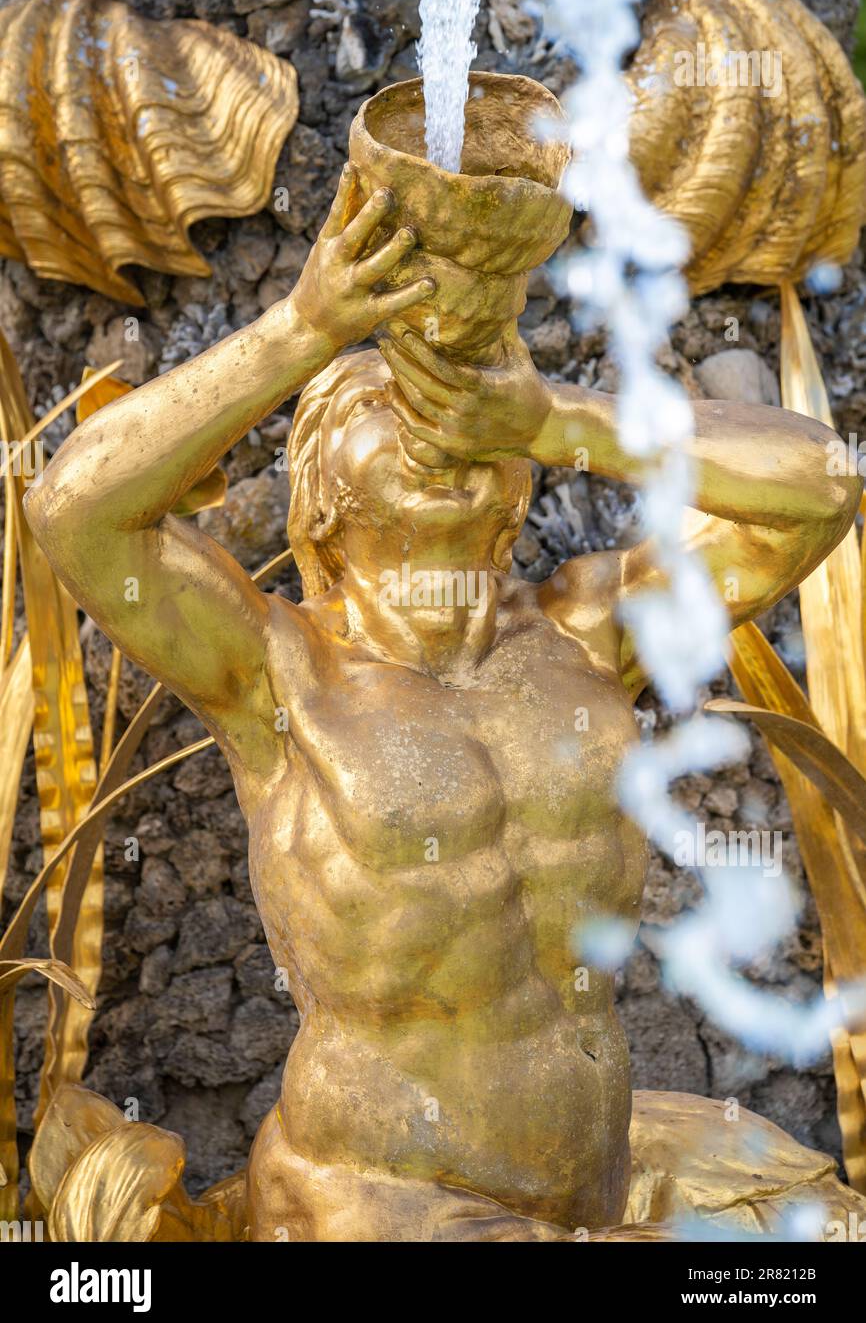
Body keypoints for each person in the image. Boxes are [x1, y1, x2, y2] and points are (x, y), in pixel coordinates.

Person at [25, 165, 861, 1241]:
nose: (435, 424)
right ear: (318, 492)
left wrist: (564, 417)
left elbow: (820, 487)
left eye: (459, 409)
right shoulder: (273, 666)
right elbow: (73, 507)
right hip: (377, 1198)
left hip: (585, 1187)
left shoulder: (588, 637)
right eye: (389, 405)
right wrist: (303, 330)